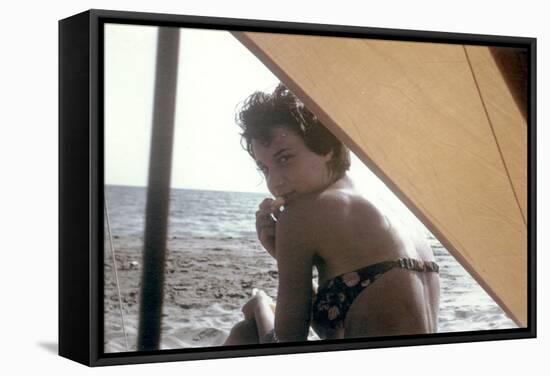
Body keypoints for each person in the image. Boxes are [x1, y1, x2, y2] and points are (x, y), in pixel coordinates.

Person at [223, 83, 440, 345]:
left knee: (244, 333)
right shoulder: (397, 212)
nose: (275, 182)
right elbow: (341, 323)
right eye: (264, 168)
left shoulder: (300, 215)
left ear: (326, 147)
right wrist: (281, 253)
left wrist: (260, 304)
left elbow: (286, 342)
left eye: (284, 159)